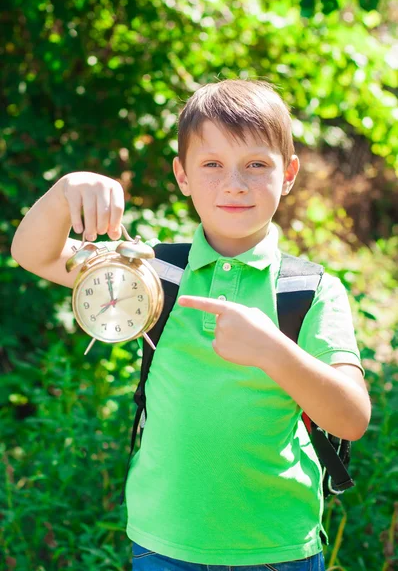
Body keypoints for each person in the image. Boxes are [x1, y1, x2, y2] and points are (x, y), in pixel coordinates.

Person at [11, 79, 371, 571]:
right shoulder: (152, 272)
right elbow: (33, 253)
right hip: (163, 543)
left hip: (276, 548)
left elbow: (351, 418)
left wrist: (272, 350)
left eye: (256, 165)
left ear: (288, 174)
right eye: (212, 165)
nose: (235, 184)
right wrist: (64, 192)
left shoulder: (309, 290)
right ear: (182, 175)